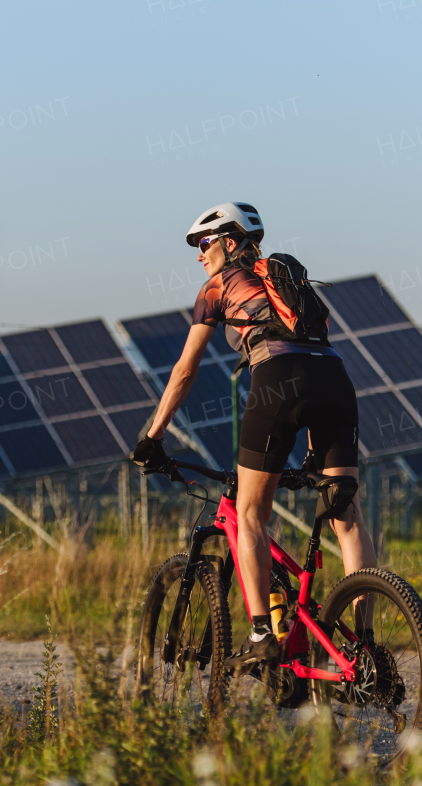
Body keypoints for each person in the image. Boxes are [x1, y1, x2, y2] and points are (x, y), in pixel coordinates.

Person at [130, 202, 378, 672]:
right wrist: (311, 450)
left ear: (230, 242)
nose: (200, 256)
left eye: (205, 244)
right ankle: (363, 644)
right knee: (345, 514)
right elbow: (312, 350)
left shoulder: (218, 286)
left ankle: (263, 632)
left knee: (249, 513)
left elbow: (185, 370)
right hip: (336, 381)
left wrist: (153, 435)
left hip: (277, 380)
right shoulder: (290, 282)